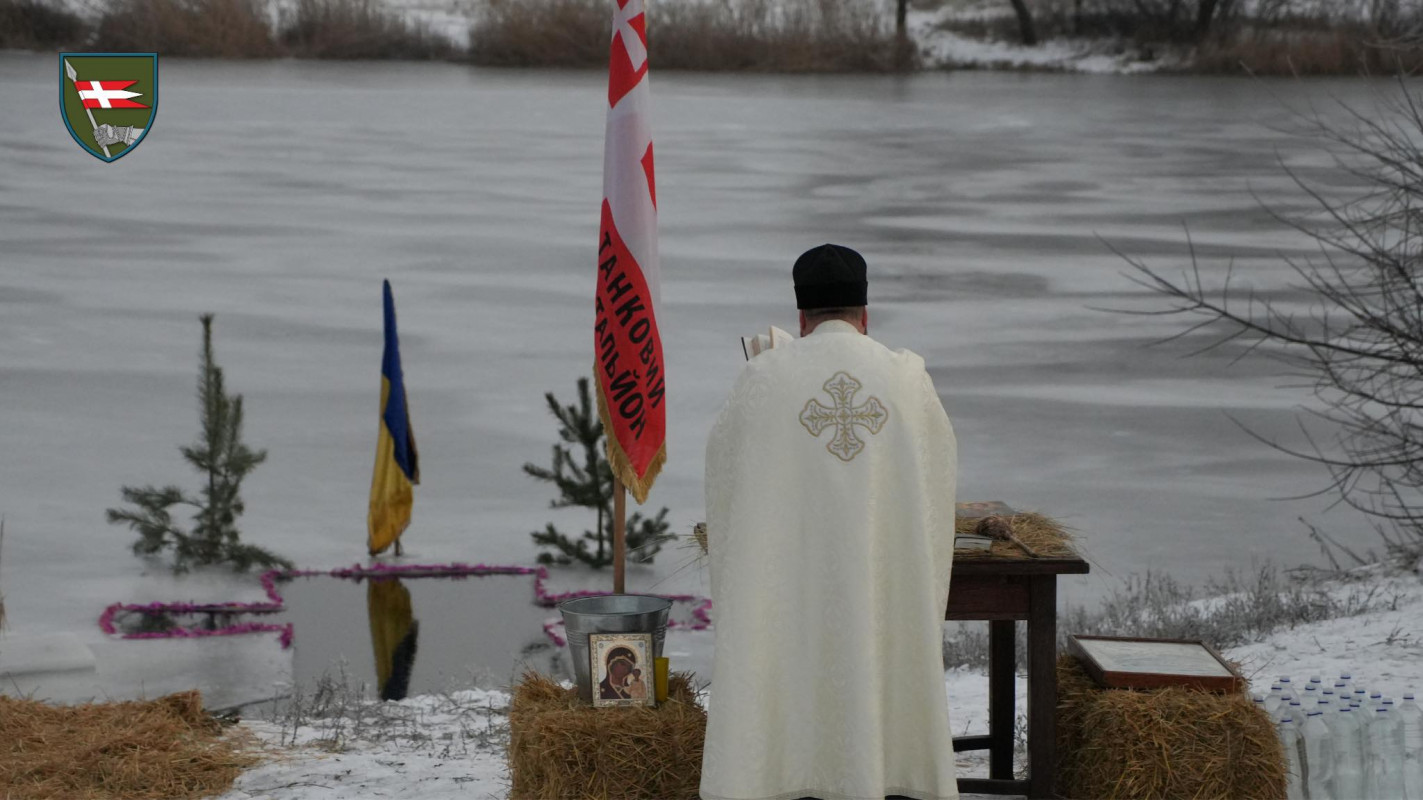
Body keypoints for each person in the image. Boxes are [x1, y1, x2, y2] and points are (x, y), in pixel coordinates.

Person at [700, 244, 960, 800]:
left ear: (801, 317)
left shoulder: (762, 379)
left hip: (789, 594)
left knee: (784, 662)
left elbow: (726, 484)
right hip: (882, 587)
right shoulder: (908, 380)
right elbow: (936, 485)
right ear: (864, 315)